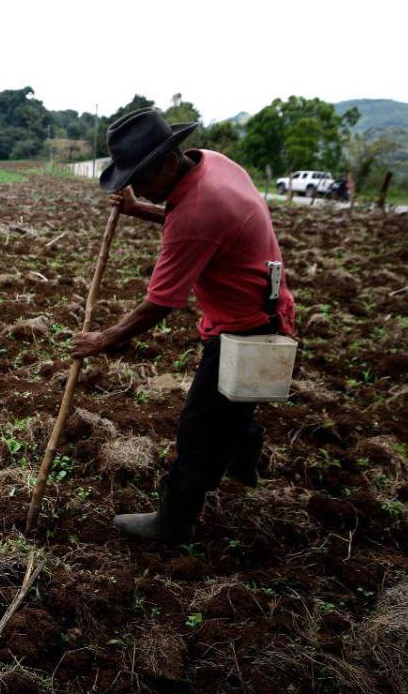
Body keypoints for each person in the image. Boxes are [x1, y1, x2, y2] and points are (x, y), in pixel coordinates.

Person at [70, 107, 296, 542]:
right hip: (264, 302)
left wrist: (104, 338)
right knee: (234, 401)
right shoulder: (212, 162)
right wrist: (141, 211)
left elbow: (160, 302)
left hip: (246, 323)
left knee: (200, 424)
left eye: (140, 179)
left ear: (169, 163)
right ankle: (243, 459)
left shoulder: (197, 211)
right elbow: (199, 223)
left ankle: (174, 519)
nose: (136, 189)